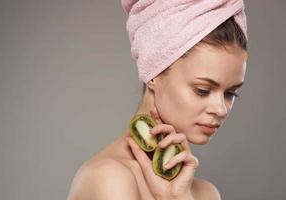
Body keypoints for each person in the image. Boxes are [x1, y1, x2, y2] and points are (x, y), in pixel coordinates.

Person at [67, 0, 248, 199]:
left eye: (230, 93)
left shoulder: (206, 193)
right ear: (154, 73)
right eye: (202, 90)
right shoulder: (109, 178)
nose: (221, 109)